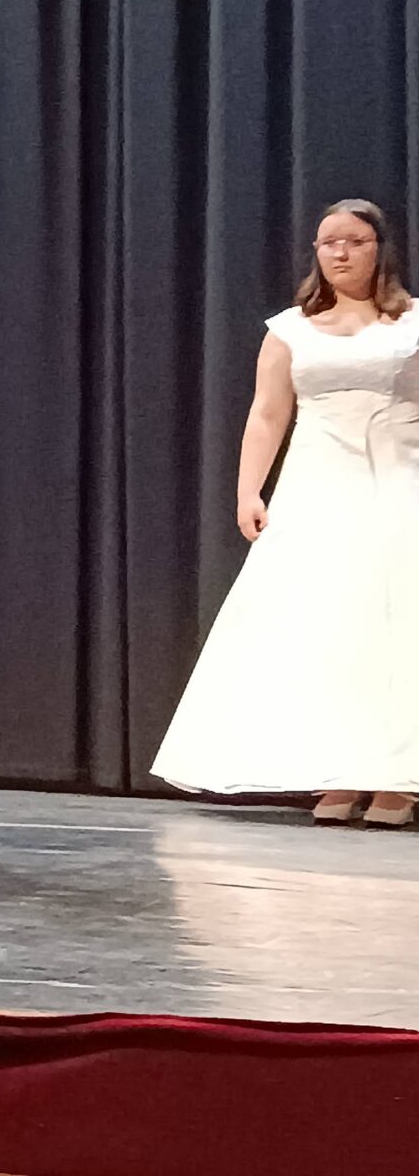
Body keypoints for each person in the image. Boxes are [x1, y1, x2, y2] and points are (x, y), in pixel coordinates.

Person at [153, 200, 419, 826]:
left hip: (398, 482)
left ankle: (397, 780)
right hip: (317, 491)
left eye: (355, 241)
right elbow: (268, 413)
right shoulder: (291, 329)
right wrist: (249, 491)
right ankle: (338, 772)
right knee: (324, 630)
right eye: (328, 242)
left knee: (395, 628)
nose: (340, 253)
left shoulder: (411, 323)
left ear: (379, 248)